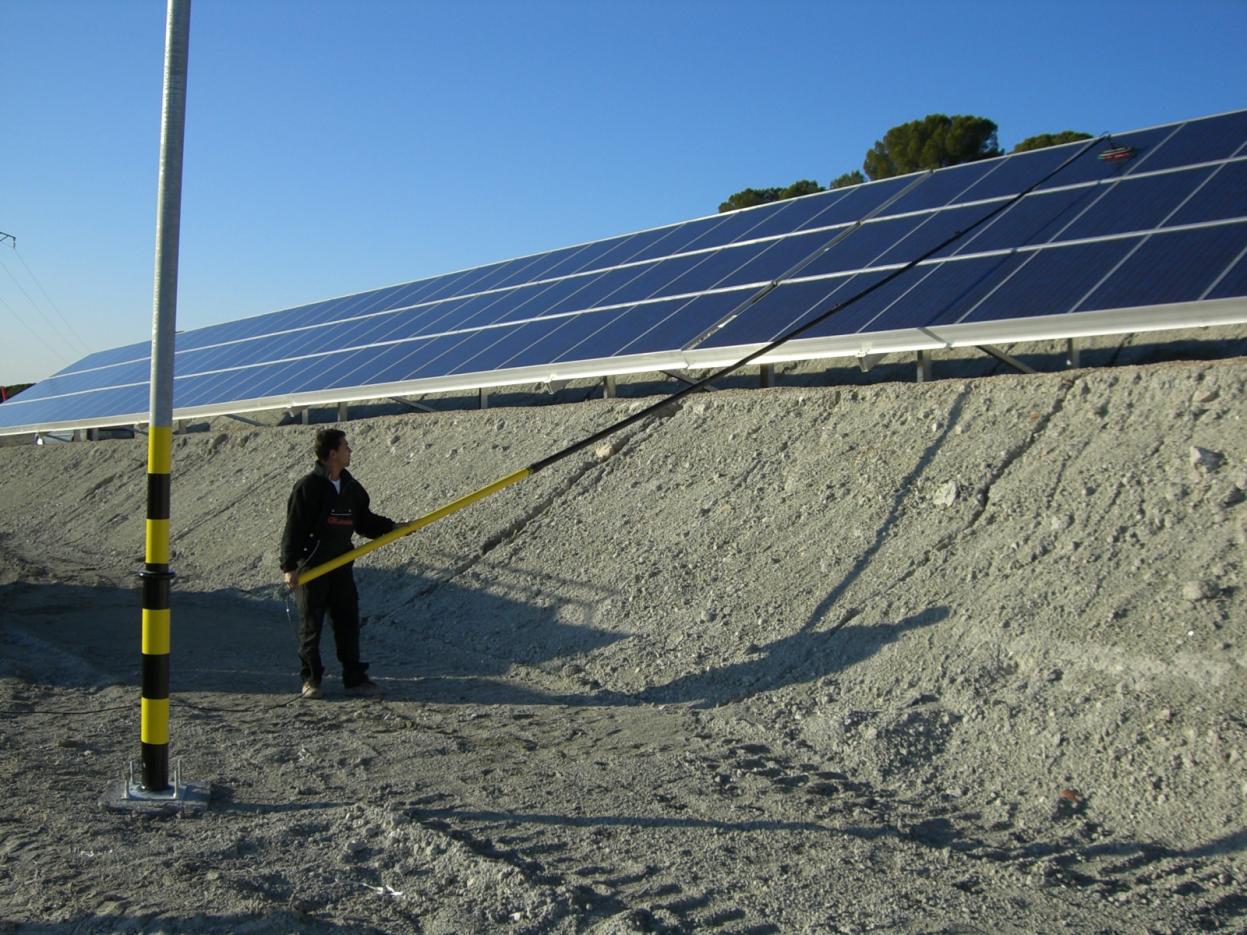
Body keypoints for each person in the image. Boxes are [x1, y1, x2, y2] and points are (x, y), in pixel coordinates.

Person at [281, 428, 398, 699]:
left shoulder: (350, 487)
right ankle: (311, 679)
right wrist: (289, 567)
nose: (350, 450)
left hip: (341, 566)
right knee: (311, 627)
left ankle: (354, 679)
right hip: (312, 569)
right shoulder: (307, 487)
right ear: (332, 453)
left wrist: (393, 527)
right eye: (346, 446)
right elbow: (293, 529)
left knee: (347, 623)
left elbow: (364, 521)